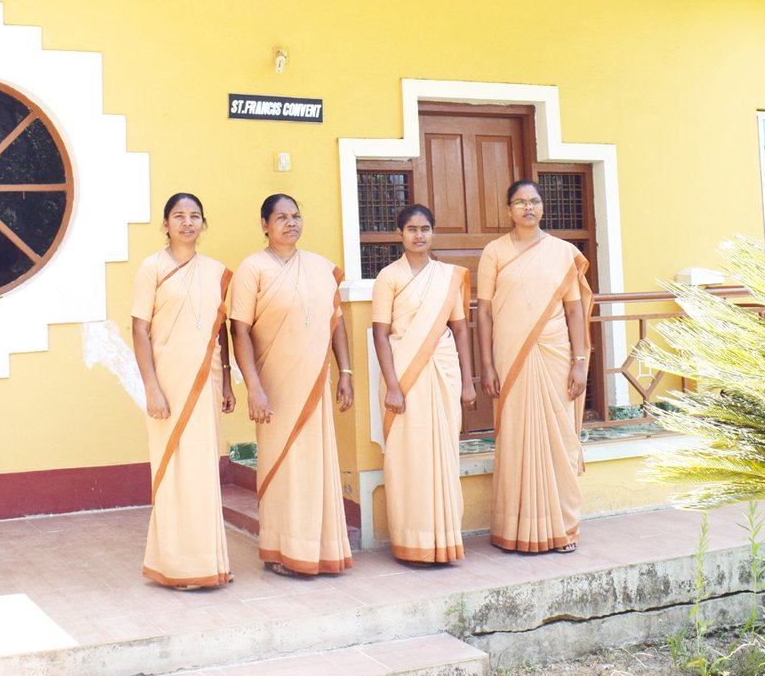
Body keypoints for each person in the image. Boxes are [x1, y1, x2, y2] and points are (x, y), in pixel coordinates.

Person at [229, 193, 355, 576]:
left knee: (316, 464)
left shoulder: (321, 267)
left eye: (296, 216)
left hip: (315, 386)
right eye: (281, 217)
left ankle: (321, 549)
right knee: (283, 466)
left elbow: (336, 323)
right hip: (275, 389)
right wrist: (253, 387)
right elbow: (239, 330)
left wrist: (346, 373)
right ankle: (282, 551)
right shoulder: (253, 269)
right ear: (264, 225)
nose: (291, 223)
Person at [476, 178, 594, 553]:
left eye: (534, 201)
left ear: (543, 207)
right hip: (510, 357)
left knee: (559, 437)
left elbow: (574, 311)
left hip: (556, 355)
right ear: (508, 210)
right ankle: (516, 529)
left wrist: (580, 362)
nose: (528, 207)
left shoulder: (562, 252)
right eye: (520, 202)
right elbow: (484, 313)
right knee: (515, 437)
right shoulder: (494, 252)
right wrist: (487, 366)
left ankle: (562, 527)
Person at [131, 192, 236, 589]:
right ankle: (176, 566)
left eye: (194, 216)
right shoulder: (152, 268)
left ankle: (210, 562)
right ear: (166, 224)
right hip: (168, 385)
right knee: (173, 471)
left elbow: (221, 330)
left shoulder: (215, 271)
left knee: (202, 470)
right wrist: (151, 387)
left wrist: (227, 380)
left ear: (204, 224)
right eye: (179, 216)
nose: (187, 223)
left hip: (206, 382)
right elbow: (139, 329)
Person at [372, 203, 476, 564]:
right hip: (403, 376)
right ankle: (412, 542)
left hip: (443, 372)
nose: (419, 235)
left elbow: (460, 329)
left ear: (433, 232)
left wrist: (467, 381)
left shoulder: (447, 277)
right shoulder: (389, 277)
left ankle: (445, 540)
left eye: (425, 229)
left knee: (443, 454)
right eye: (412, 229)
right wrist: (392, 386)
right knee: (408, 457)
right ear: (399, 234)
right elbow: (381, 334)